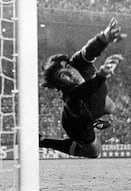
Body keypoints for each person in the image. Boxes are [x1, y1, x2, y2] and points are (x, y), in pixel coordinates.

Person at [39, 18, 125, 158]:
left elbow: (89, 51)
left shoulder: (78, 63)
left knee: (111, 107)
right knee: (95, 152)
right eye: (62, 75)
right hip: (78, 124)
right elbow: (84, 90)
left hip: (95, 104)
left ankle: (96, 120)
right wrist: (101, 75)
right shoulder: (71, 98)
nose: (70, 73)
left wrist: (104, 38)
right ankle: (44, 142)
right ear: (60, 84)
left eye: (67, 67)